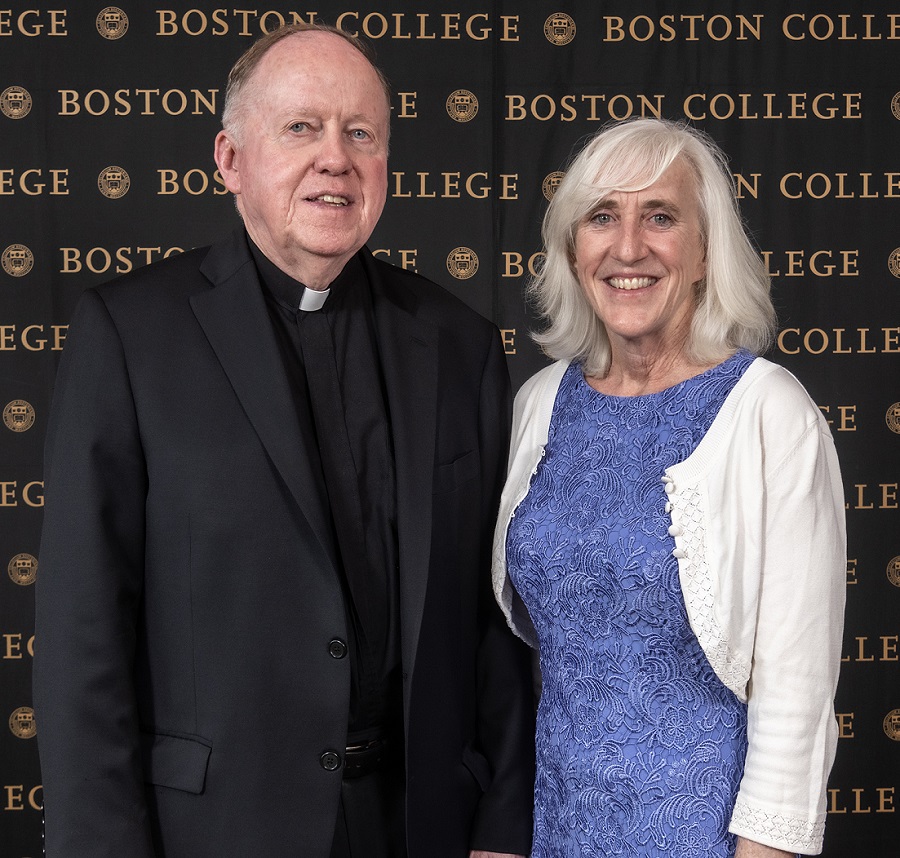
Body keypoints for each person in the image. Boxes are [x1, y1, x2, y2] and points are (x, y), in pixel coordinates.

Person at [33, 23, 535, 858]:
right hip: (213, 829)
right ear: (230, 159)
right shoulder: (130, 333)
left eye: (360, 133)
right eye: (301, 127)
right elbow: (84, 627)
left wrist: (502, 824)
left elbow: (498, 613)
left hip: (419, 827)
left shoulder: (460, 344)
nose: (335, 157)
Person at [491, 119, 845, 857]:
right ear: (571, 249)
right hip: (555, 828)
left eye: (660, 216)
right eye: (601, 218)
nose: (628, 247)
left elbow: (797, 695)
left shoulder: (771, 413)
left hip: (705, 839)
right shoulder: (539, 404)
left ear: (705, 248)